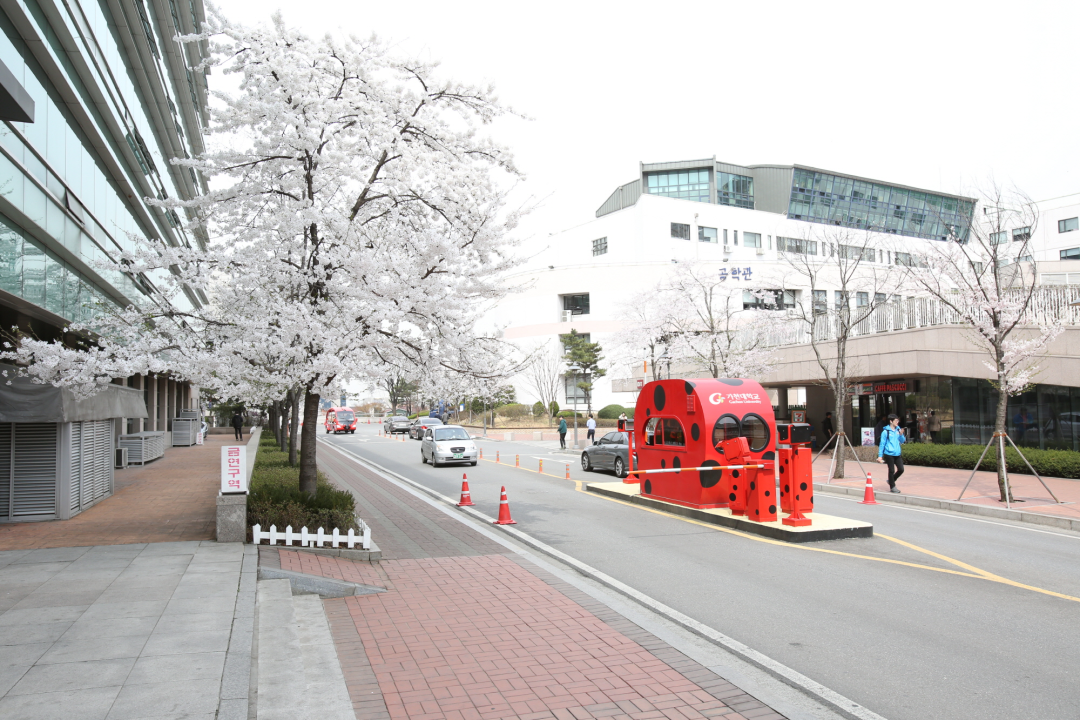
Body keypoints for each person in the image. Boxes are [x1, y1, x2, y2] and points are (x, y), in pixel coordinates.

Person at [876, 413, 906, 493]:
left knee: (901, 469)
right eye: (896, 420)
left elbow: (902, 441)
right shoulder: (885, 432)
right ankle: (892, 487)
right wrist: (880, 456)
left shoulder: (898, 430)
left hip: (897, 453)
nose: (897, 422)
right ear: (891, 421)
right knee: (891, 470)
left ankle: (891, 480)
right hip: (889, 454)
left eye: (898, 420)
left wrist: (901, 434)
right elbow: (882, 444)